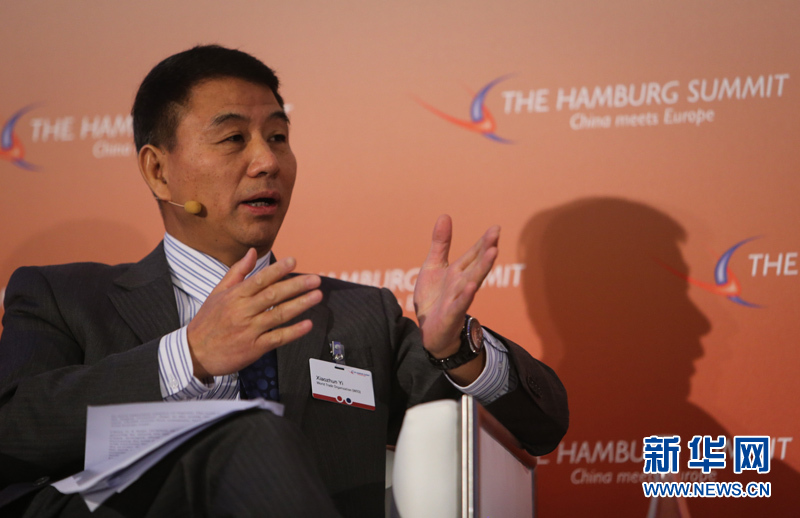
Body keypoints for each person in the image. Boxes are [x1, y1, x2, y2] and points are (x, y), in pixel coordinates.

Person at [0, 45, 568, 517]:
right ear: (157, 170)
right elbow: (11, 434)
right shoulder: (65, 299)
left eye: (277, 137)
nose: (267, 162)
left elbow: (542, 427)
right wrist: (188, 356)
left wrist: (456, 349)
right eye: (233, 139)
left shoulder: (357, 317)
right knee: (251, 432)